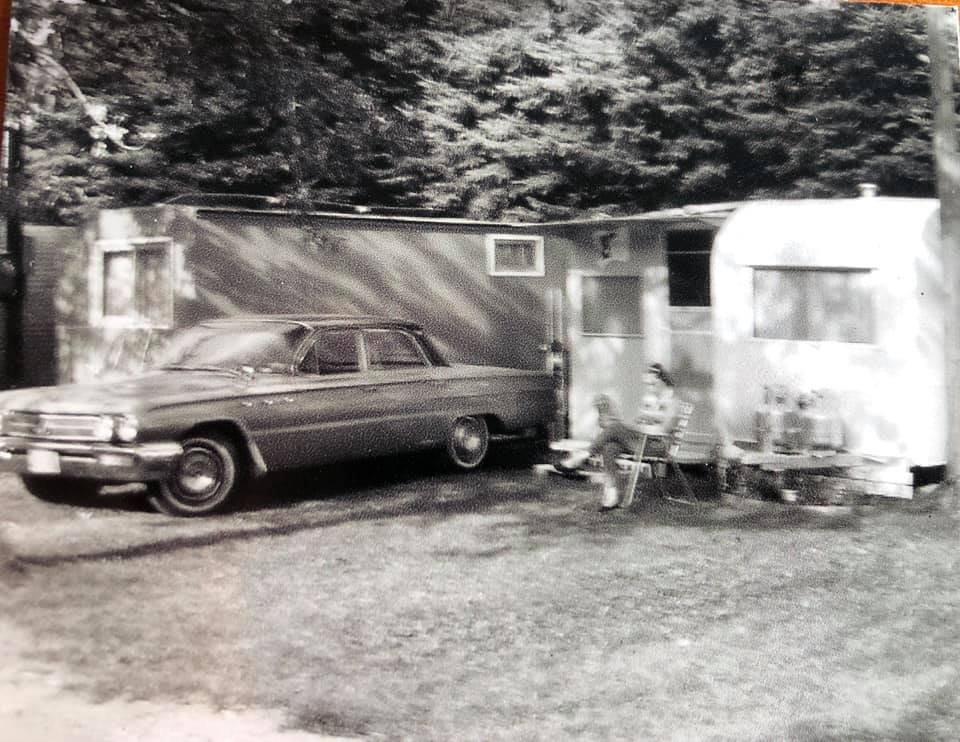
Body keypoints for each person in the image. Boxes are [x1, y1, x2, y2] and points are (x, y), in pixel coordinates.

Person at [556, 363, 679, 510]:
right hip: (642, 441)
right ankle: (612, 494)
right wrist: (642, 422)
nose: (649, 388)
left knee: (615, 427)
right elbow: (641, 420)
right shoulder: (652, 400)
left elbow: (664, 430)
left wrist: (641, 425)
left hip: (658, 446)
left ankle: (581, 457)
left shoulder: (673, 402)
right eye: (647, 385)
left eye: (651, 384)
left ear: (661, 381)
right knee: (609, 448)